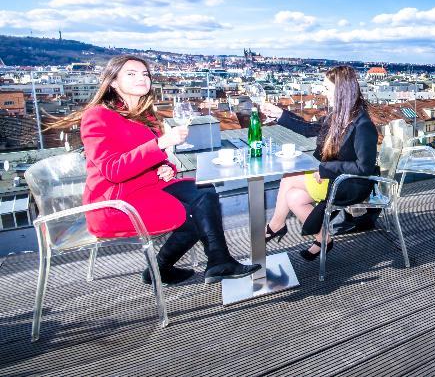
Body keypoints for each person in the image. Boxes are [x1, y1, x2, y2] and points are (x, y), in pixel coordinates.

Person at [50, 54, 260, 285]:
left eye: (145, 74)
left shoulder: (144, 114)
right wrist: (161, 143)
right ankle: (164, 267)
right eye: (131, 74)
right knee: (194, 213)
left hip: (148, 187)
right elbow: (113, 170)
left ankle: (216, 262)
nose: (142, 78)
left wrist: (166, 167)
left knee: (205, 191)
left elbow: (151, 155)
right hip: (116, 203)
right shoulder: (97, 116)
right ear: (112, 82)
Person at [261, 65, 378, 260]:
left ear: (340, 90)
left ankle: (275, 225)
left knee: (289, 178)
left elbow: (364, 168)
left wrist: (326, 169)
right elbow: (308, 129)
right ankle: (323, 239)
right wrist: (279, 114)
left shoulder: (362, 124)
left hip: (349, 184)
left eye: (327, 88)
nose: (323, 93)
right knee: (294, 197)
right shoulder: (339, 116)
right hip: (335, 178)